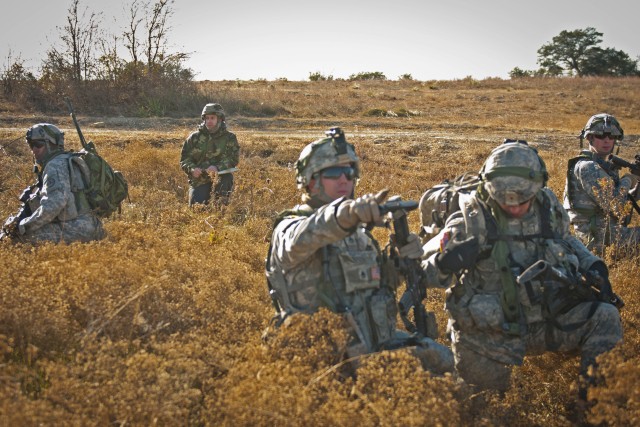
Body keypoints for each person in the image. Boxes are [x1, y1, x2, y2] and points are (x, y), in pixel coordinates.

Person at [420, 140, 622, 394]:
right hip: (490, 338)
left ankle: (593, 405)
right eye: (505, 200)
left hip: (546, 320)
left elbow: (565, 238)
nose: (514, 207)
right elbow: (421, 273)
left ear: (537, 188)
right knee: (483, 405)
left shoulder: (546, 206)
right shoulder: (470, 219)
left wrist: (593, 264)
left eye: (522, 199)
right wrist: (445, 262)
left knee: (604, 316)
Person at [266, 127, 453, 374]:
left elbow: (372, 287)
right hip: (324, 358)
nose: (344, 179)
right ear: (310, 180)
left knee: (440, 359)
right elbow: (307, 235)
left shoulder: (356, 232)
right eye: (334, 172)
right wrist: (347, 214)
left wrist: (398, 263)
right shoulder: (291, 227)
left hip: (370, 347)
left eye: (350, 171)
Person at [4, 123, 104, 244]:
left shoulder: (54, 166)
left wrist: (24, 226)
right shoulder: (65, 159)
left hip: (77, 228)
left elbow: (54, 204)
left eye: (38, 145)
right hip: (87, 225)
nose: (34, 150)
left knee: (17, 240)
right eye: (31, 145)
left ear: (52, 145)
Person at [563, 113, 640, 253]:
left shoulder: (604, 166)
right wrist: (628, 179)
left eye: (611, 137)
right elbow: (614, 204)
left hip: (608, 233)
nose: (607, 141)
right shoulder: (587, 167)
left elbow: (622, 202)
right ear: (589, 138)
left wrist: (636, 188)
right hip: (597, 240)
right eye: (600, 136)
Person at [180, 103, 240, 206]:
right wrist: (193, 169)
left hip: (221, 178)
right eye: (207, 118)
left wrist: (217, 167)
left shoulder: (230, 138)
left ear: (220, 119)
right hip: (200, 180)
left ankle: (221, 207)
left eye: (212, 118)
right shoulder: (194, 138)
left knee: (220, 207)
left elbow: (233, 158)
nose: (209, 121)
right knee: (196, 208)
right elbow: (185, 159)